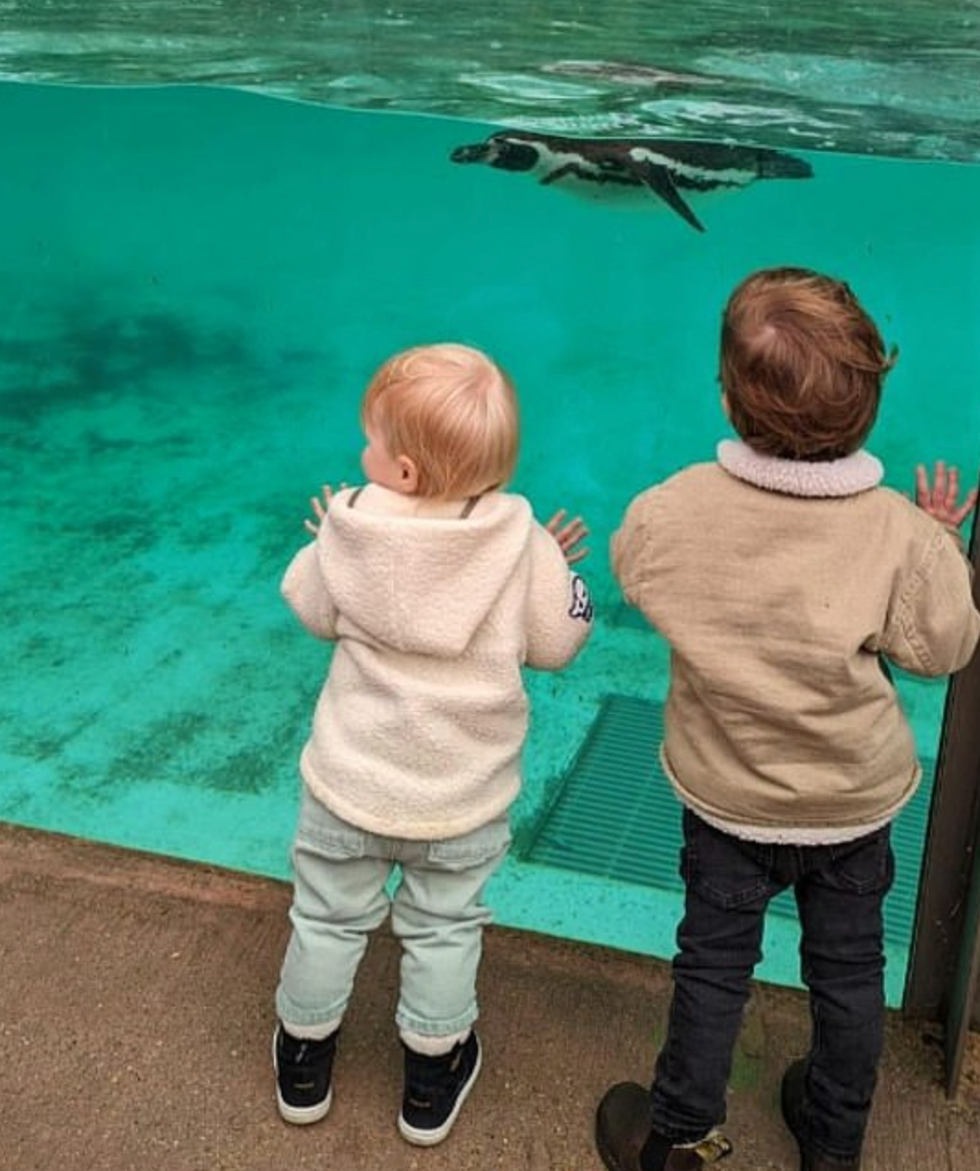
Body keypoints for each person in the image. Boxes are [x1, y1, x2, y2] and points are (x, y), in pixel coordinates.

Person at [594, 266, 980, 1171]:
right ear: (869, 408)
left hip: (727, 803)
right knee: (848, 980)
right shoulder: (898, 532)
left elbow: (634, 565)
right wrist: (938, 549)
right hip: (852, 807)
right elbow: (945, 647)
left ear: (729, 397)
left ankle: (680, 1133)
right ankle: (833, 1143)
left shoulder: (676, 509)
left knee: (713, 968)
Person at [273, 341, 593, 1146]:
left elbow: (310, 608)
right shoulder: (527, 546)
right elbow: (559, 642)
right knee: (444, 928)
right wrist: (563, 575)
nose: (362, 453)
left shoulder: (352, 525)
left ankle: (305, 1059)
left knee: (327, 917)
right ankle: (428, 1079)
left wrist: (328, 544)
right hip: (460, 801)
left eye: (372, 441)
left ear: (404, 472)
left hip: (347, 787)